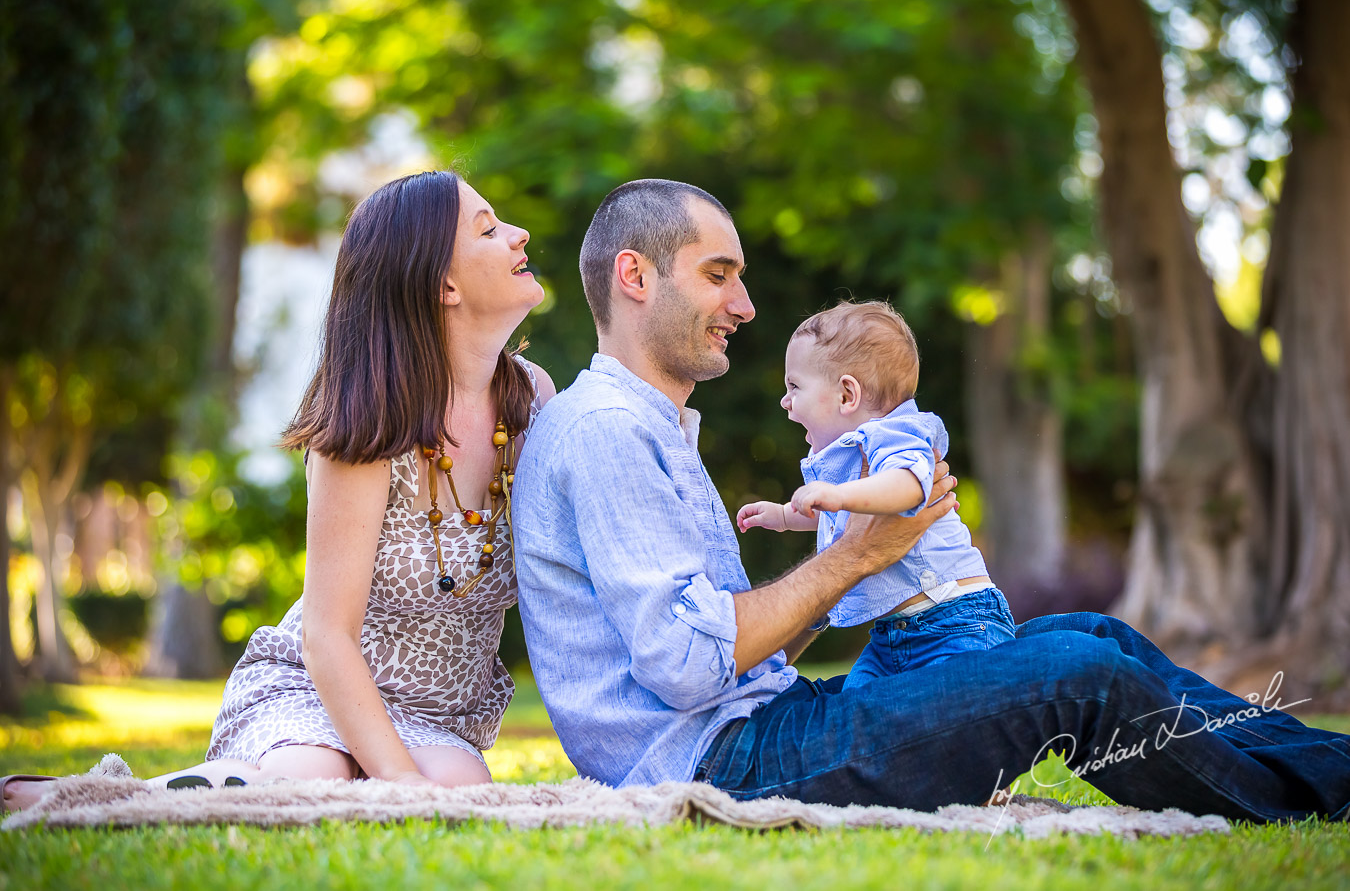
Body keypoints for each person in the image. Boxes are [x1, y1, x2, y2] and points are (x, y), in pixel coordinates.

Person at [512, 177, 1350, 821]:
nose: (745, 305)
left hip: (763, 725)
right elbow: (686, 667)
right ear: (635, 275)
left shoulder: (647, 427)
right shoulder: (606, 433)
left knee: (1088, 634)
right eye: (719, 275)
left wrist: (867, 561)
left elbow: (733, 648)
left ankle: (1327, 766)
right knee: (1080, 675)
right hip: (726, 764)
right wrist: (857, 556)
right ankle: (1321, 798)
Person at [2, 169, 556, 811]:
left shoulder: (532, 401)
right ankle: (88, 798)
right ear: (444, 285)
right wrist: (398, 780)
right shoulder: (369, 420)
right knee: (311, 780)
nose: (518, 237)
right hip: (313, 692)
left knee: (462, 792)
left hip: (435, 716)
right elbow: (328, 634)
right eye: (488, 229)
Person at [737, 299, 1015, 690]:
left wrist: (839, 495)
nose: (785, 401)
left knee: (958, 713)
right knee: (857, 705)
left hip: (954, 619)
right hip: (893, 633)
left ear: (847, 395)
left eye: (794, 387)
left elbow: (907, 485)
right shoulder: (853, 458)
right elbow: (841, 515)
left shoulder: (895, 434)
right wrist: (784, 515)